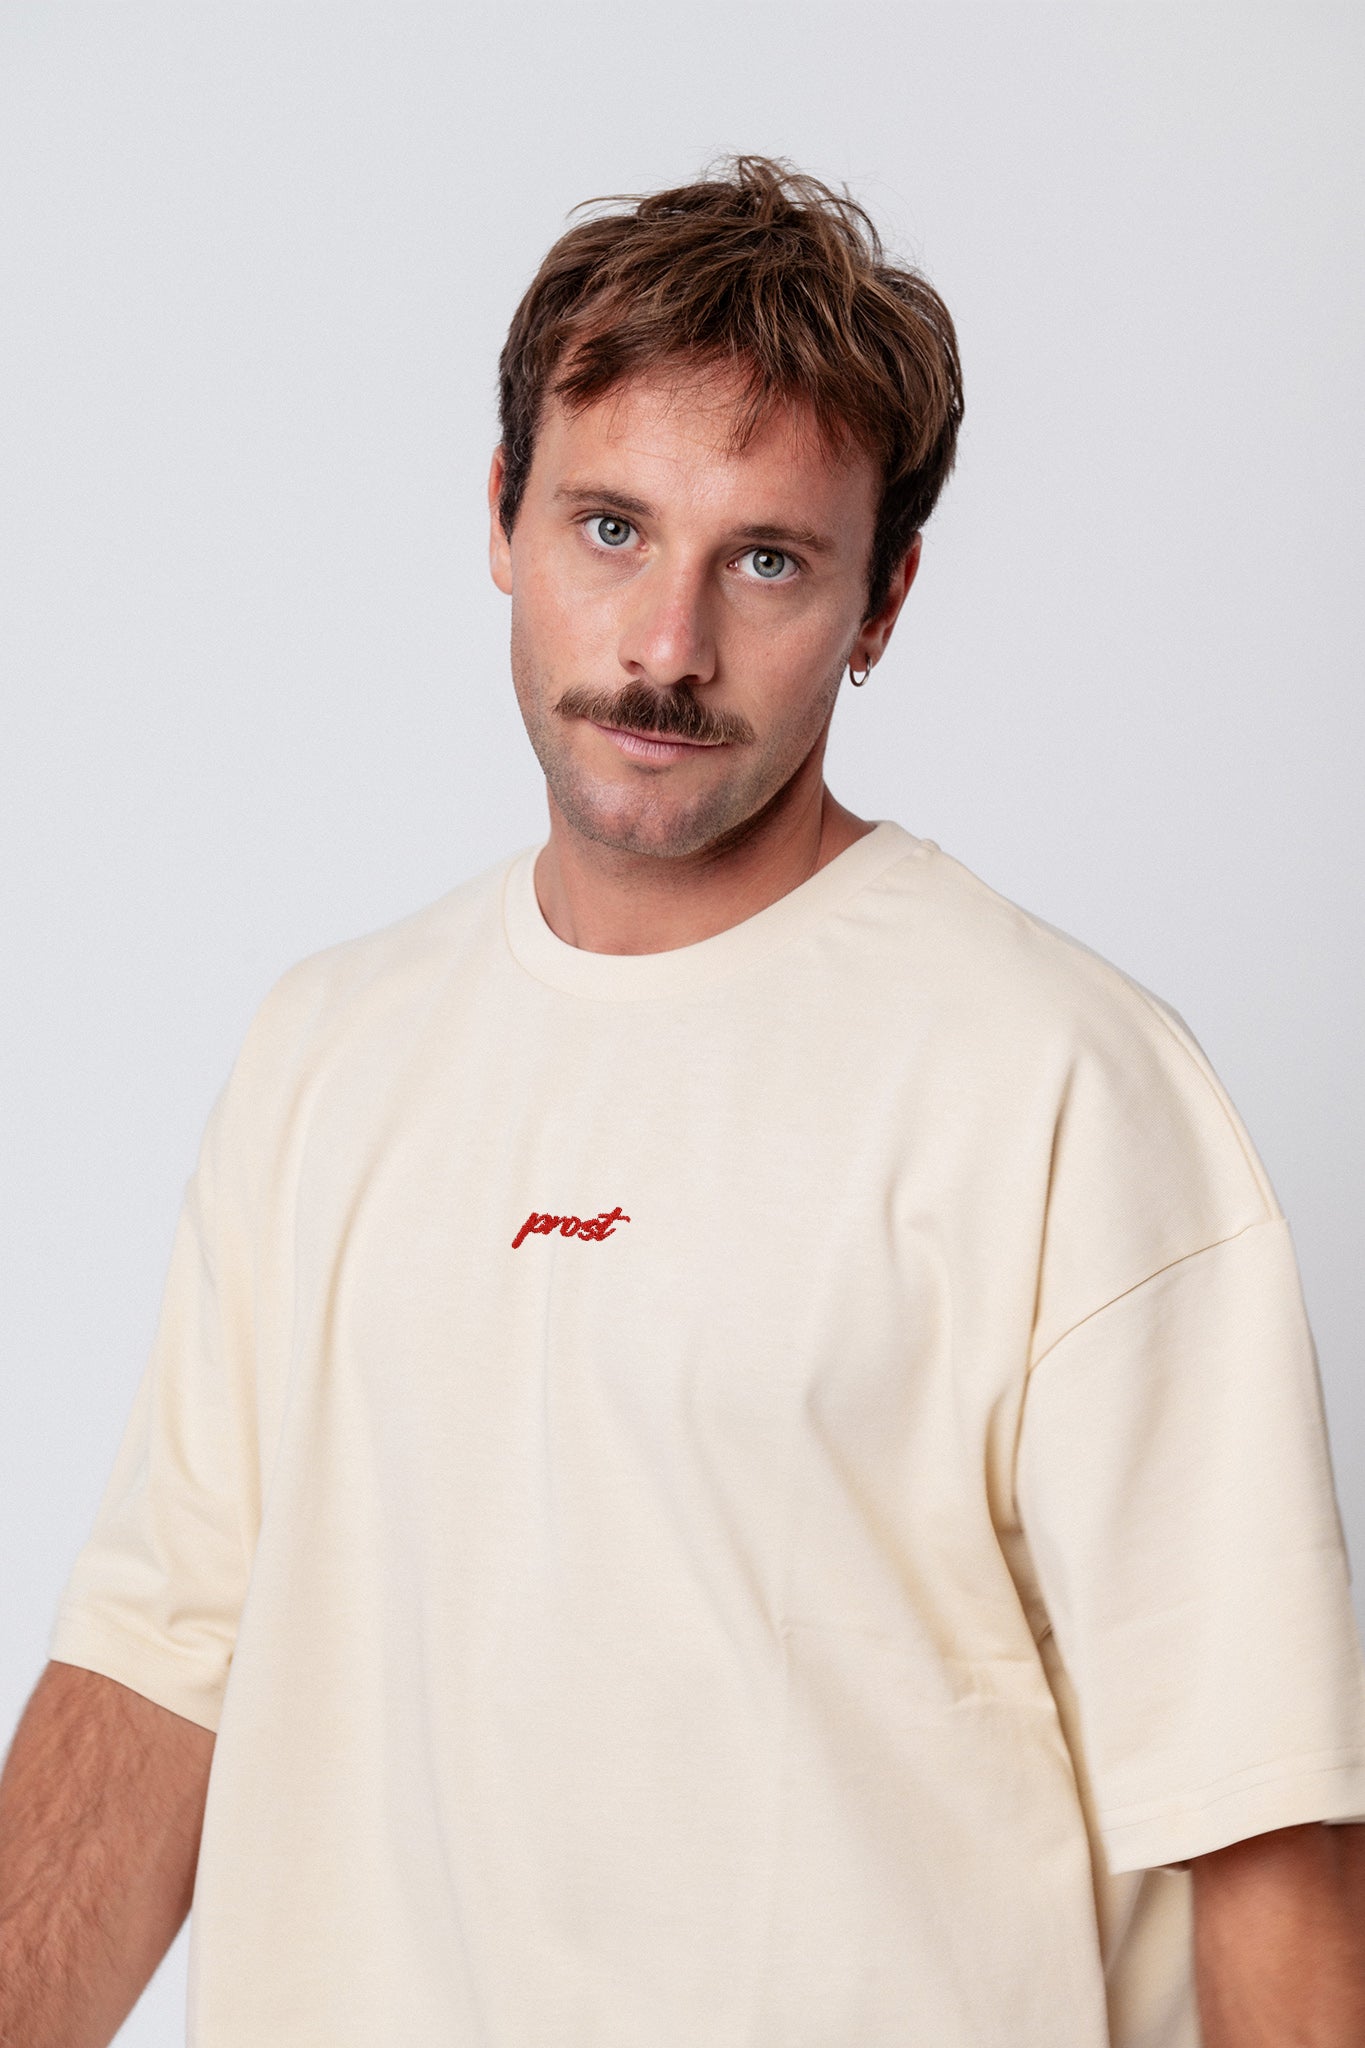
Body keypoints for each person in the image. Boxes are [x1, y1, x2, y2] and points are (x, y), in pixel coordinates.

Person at [1, 155, 1363, 2048]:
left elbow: (1259, 1815)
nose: (665, 648)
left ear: (883, 600)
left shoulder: (1060, 1084)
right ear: (500, 517)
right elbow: (159, 1665)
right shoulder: (327, 1052)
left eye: (768, 560)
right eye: (610, 527)